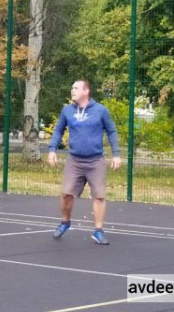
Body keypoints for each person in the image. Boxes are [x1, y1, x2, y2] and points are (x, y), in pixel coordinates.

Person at [47, 79, 121, 245]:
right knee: (66, 194)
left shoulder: (101, 110)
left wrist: (116, 154)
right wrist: (52, 149)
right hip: (74, 160)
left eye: (76, 88)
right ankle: (65, 222)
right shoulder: (67, 110)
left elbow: (111, 131)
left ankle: (98, 231)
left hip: (95, 161)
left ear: (86, 91)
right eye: (72, 87)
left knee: (99, 197)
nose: (72, 90)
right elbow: (58, 130)